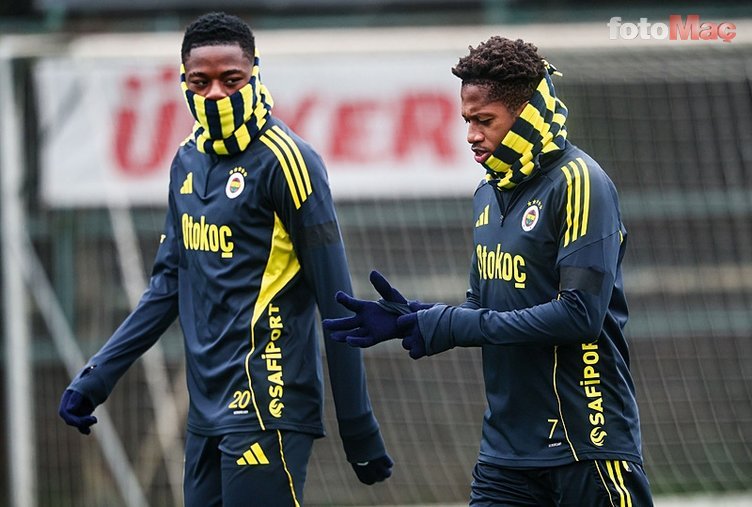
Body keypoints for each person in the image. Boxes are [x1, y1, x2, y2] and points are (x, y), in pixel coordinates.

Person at [59, 11, 392, 506]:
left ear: (254, 75)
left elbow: (338, 302)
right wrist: (98, 375)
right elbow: (167, 286)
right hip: (206, 411)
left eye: (230, 80)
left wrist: (358, 428)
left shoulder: (289, 161)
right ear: (184, 83)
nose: (216, 93)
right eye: (202, 82)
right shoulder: (185, 161)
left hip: (269, 403)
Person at [324, 37, 654, 506]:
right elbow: (482, 307)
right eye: (467, 120)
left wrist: (449, 325)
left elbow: (580, 315)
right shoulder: (486, 193)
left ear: (525, 115)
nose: (471, 135)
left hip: (585, 443)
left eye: (484, 121)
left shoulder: (579, 182)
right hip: (506, 453)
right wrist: (415, 318)